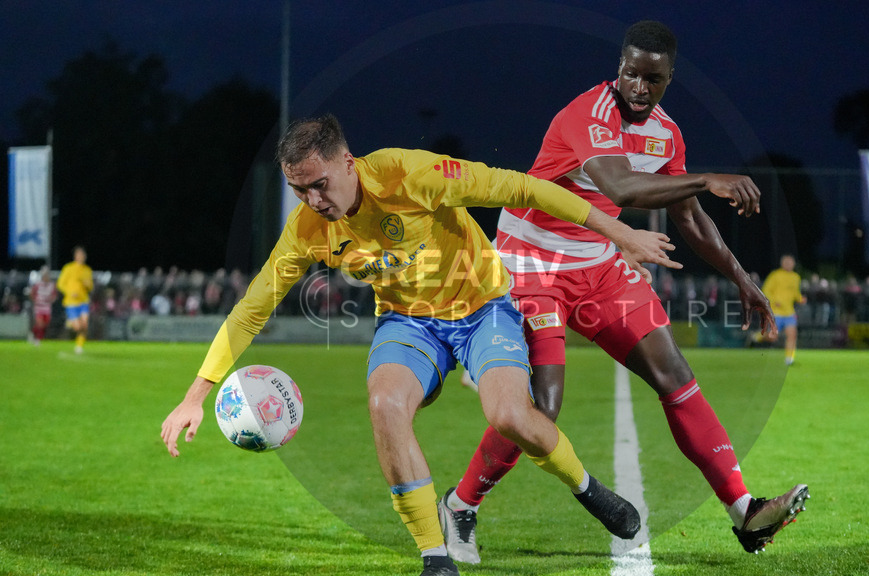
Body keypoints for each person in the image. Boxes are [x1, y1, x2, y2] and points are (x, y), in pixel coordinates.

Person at [160, 114, 682, 576]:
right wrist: (195, 395)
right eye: (299, 191)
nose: (314, 202)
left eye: (319, 185)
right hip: (408, 323)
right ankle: (434, 556)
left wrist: (618, 232)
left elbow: (522, 189)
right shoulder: (307, 229)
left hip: (482, 307)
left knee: (510, 416)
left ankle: (587, 488)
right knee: (384, 404)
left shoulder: (410, 175)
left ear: (348, 162)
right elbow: (254, 305)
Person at [440, 20, 808, 565]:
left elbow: (690, 218)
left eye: (651, 78)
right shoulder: (588, 114)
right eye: (630, 73)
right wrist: (707, 178)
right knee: (544, 405)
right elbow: (621, 187)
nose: (637, 85)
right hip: (531, 264)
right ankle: (460, 505)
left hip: (601, 263)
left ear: (668, 79)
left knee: (675, 373)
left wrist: (740, 277)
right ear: (619, 68)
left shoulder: (668, 135)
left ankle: (745, 512)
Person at [761, 254, 805, 365]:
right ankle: (757, 337)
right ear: (782, 263)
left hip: (789, 312)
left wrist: (800, 299)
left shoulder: (796, 277)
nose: (788, 264)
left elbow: (795, 293)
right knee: (772, 337)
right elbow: (766, 290)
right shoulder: (775, 275)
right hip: (776, 312)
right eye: (786, 262)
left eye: (790, 262)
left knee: (792, 335)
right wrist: (774, 300)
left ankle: (789, 359)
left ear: (794, 264)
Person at [57, 246, 93, 354]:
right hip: (71, 302)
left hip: (83, 301)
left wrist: (88, 285)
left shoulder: (87, 270)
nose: (81, 257)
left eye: (83, 255)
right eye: (79, 255)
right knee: (78, 327)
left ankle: (79, 346)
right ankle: (70, 322)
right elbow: (60, 284)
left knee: (85, 324)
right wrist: (70, 292)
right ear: (75, 256)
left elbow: (91, 286)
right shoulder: (68, 268)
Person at [29, 266, 58, 345]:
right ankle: (38, 340)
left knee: (45, 324)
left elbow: (54, 295)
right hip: (39, 307)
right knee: (40, 323)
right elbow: (32, 293)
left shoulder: (52, 285)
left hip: (47, 307)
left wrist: (52, 299)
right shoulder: (38, 284)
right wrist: (36, 300)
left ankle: (32, 333)